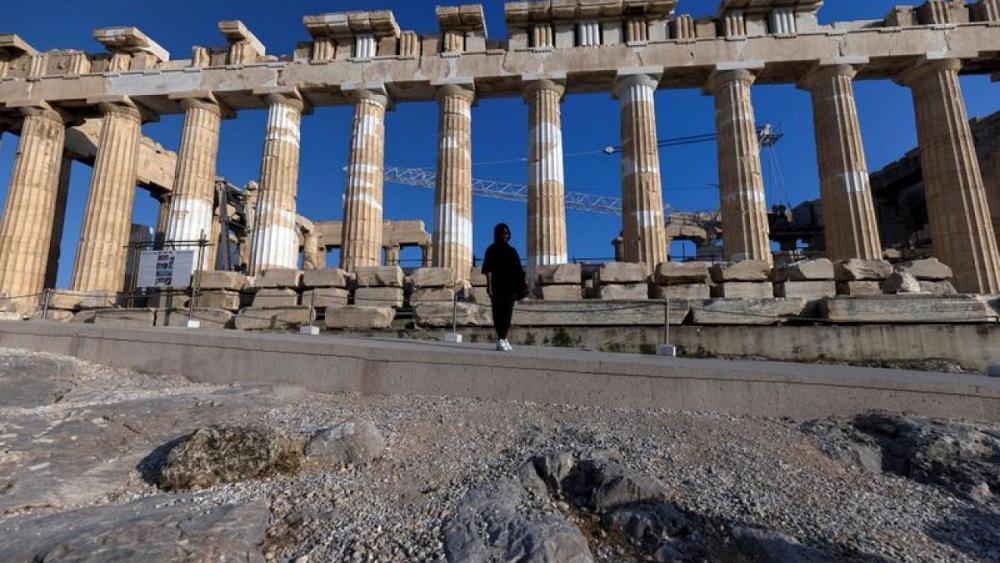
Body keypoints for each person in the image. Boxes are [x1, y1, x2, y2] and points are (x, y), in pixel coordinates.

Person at [481, 223, 525, 352]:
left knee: (507, 313)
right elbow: (488, 270)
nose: (504, 236)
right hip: (497, 285)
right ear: (497, 234)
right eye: (502, 233)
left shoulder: (512, 251)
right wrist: (489, 286)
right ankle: (501, 338)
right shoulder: (491, 250)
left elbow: (518, 270)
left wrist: (522, 286)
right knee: (497, 312)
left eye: (506, 233)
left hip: (510, 286)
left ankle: (503, 338)